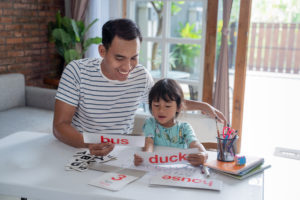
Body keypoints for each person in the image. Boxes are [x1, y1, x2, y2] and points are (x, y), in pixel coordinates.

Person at [53, 18, 225, 157]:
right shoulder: (77, 71)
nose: (127, 68)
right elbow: (60, 126)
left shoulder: (141, 76)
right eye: (119, 58)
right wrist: (88, 143)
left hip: (120, 153)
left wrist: (203, 106)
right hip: (77, 149)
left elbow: (166, 101)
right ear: (102, 51)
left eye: (133, 58)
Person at [134, 79, 208, 166]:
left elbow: (195, 144)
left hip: (178, 173)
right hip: (156, 171)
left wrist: (204, 155)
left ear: (179, 107)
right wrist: (145, 157)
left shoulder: (184, 128)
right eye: (156, 105)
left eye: (167, 106)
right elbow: (149, 143)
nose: (161, 110)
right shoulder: (150, 123)